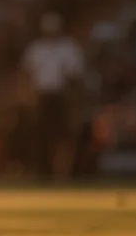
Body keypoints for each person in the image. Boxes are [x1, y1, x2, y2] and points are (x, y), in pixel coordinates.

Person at [19, 12, 87, 180]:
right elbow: (27, 73)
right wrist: (28, 96)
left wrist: (75, 98)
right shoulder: (37, 48)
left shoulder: (68, 47)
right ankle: (43, 171)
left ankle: (65, 171)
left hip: (61, 96)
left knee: (63, 134)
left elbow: (75, 75)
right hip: (42, 96)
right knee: (41, 135)